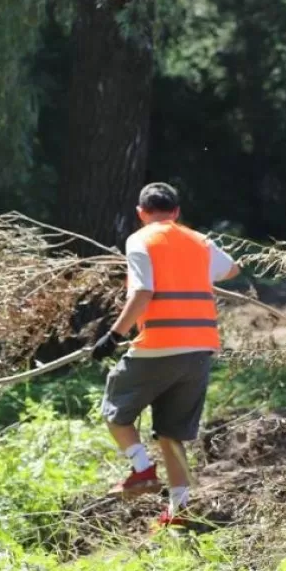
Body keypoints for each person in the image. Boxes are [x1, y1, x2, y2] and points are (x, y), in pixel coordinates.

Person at [90, 182, 240, 529]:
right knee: (172, 433)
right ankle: (179, 511)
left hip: (159, 344)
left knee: (115, 408)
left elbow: (143, 291)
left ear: (141, 214)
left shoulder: (140, 239)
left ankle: (141, 469)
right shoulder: (198, 240)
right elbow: (231, 269)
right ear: (176, 212)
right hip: (199, 348)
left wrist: (113, 336)